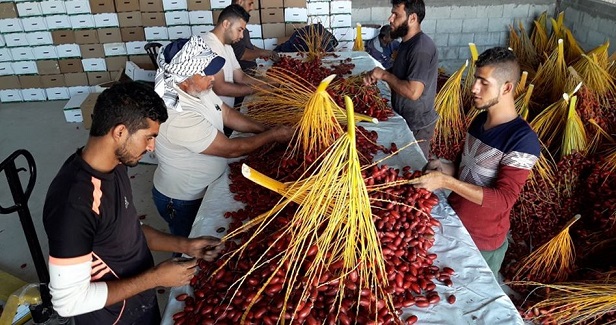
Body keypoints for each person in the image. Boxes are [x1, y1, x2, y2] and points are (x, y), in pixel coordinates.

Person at [42, 82, 224, 324]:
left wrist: (185, 244)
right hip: (114, 317)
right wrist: (155, 278)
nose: (152, 148)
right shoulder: (74, 204)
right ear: (120, 132)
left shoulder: (115, 166)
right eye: (149, 137)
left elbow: (127, 231)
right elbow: (68, 302)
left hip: (138, 301)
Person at [410, 47, 541, 277]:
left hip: (483, 243)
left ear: (507, 87)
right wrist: (444, 168)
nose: (474, 88)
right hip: (455, 224)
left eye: (484, 82)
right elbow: (466, 168)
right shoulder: (480, 121)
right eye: (475, 79)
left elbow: (503, 200)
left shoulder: (522, 141)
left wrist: (445, 182)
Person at [152, 36, 293, 239]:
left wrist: (263, 129)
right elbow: (230, 149)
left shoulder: (197, 88)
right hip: (185, 198)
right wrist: (272, 135)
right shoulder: (175, 113)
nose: (213, 78)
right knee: (189, 248)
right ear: (184, 79)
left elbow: (225, 113)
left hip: (206, 186)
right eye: (207, 73)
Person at [363, 0, 438, 160]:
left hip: (417, 124)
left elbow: (413, 92)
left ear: (412, 18)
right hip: (406, 117)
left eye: (396, 14)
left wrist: (383, 75)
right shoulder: (406, 42)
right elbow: (402, 73)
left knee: (414, 167)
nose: (390, 18)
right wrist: (380, 73)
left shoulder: (421, 48)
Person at [201, 4, 260, 110]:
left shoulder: (227, 46)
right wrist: (258, 88)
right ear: (226, 24)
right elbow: (220, 88)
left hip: (225, 112)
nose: (242, 36)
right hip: (213, 116)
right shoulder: (208, 45)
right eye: (239, 30)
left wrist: (271, 81)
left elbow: (240, 77)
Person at [231, 0, 279, 76]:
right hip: (243, 77)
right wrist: (262, 53)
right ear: (240, 2)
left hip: (249, 72)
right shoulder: (234, 25)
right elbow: (241, 54)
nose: (252, 8)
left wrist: (267, 52)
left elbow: (248, 46)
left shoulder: (240, 24)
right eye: (250, 3)